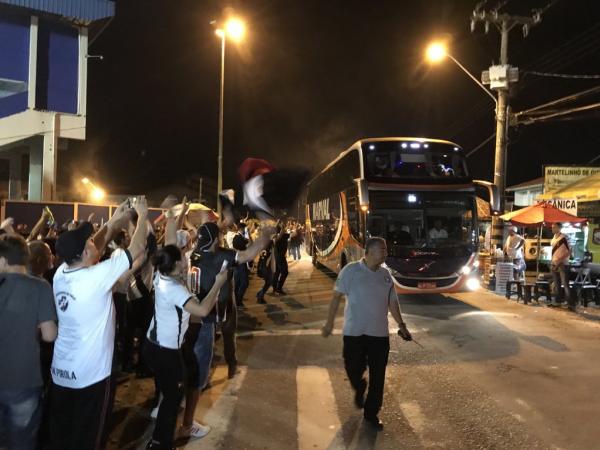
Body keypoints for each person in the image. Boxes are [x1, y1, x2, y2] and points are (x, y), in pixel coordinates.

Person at [49, 199, 149, 450]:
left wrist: (115, 220)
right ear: (84, 253)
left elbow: (96, 246)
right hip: (92, 376)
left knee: (63, 435)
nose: (93, 241)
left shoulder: (62, 273)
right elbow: (138, 246)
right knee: (90, 438)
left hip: (62, 373)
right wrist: (142, 214)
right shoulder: (96, 276)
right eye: (88, 241)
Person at [321, 237, 412, 430]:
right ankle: (359, 386)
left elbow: (393, 302)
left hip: (379, 335)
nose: (385, 253)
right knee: (353, 369)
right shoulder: (350, 271)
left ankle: (371, 413)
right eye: (382, 249)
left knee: (378, 376)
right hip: (354, 333)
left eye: (386, 249)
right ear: (369, 252)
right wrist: (329, 323)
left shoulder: (386, 275)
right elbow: (336, 296)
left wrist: (401, 325)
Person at [144, 245, 228, 450]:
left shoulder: (162, 275)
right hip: (166, 351)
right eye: (183, 256)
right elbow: (202, 310)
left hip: (154, 345)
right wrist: (218, 284)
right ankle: (159, 444)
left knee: (172, 392)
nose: (186, 257)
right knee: (173, 400)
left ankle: (160, 428)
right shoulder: (174, 289)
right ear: (176, 263)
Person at [0, 234, 57, 450]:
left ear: (3, 261)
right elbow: (49, 335)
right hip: (23, 380)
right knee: (21, 442)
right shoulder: (40, 287)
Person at [549, 222, 573, 310]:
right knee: (557, 284)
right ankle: (558, 302)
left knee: (565, 284)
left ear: (559, 228)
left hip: (563, 264)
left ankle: (570, 304)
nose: (552, 229)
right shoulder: (553, 237)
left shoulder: (564, 237)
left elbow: (570, 251)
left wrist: (560, 260)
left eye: (554, 227)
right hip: (554, 263)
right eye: (552, 227)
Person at [232, 222, 250, 309]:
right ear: (241, 229)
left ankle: (237, 301)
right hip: (240, 262)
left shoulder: (241, 237)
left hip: (241, 262)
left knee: (239, 283)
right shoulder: (237, 238)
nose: (245, 231)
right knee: (244, 282)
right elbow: (248, 245)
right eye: (245, 229)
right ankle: (238, 301)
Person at [272, 223, 290, 295]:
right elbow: (276, 240)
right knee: (285, 272)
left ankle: (275, 288)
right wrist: (282, 230)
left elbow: (293, 234)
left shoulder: (284, 235)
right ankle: (278, 288)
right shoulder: (275, 237)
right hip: (279, 257)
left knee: (277, 272)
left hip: (280, 256)